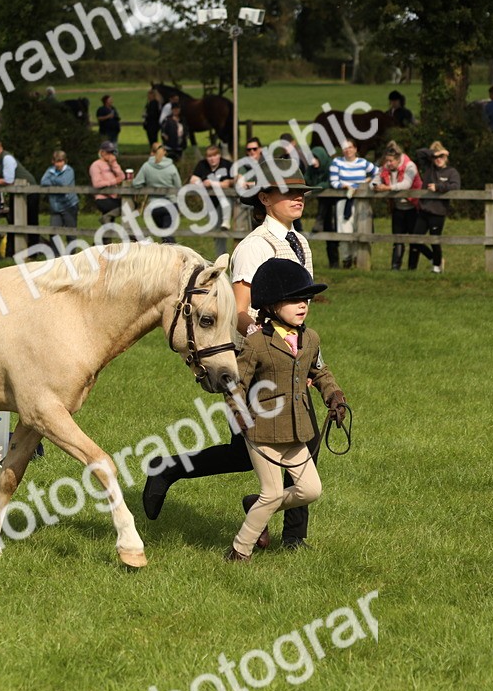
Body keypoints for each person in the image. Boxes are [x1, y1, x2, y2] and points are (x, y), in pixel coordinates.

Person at [142, 158, 321, 551]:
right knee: (284, 446)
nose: (298, 198)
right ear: (264, 198)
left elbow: (300, 307)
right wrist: (273, 350)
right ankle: (287, 534)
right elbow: (241, 312)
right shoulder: (254, 247)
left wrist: (305, 357)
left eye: (301, 193)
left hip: (289, 353)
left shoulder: (300, 242)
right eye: (287, 193)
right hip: (257, 361)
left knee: (276, 446)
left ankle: (281, 527)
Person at [225, 258, 346, 562]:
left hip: (297, 429)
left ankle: (256, 504)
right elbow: (236, 381)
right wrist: (238, 411)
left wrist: (334, 396)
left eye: (305, 298)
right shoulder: (256, 343)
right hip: (262, 429)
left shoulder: (310, 338)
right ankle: (239, 550)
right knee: (272, 492)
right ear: (271, 305)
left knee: (310, 490)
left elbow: (320, 372)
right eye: (293, 299)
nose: (302, 304)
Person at [409, 140, 459, 273]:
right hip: (424, 210)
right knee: (415, 239)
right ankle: (434, 258)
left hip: (438, 211)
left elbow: (455, 186)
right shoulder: (428, 168)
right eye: (436, 157)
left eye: (441, 157)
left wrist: (438, 187)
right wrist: (436, 152)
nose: (438, 160)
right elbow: (419, 153)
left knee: (435, 240)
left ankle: (436, 268)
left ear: (446, 158)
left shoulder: (451, 171)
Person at [329, 139, 377, 269]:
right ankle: (346, 259)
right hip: (344, 200)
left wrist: (368, 181)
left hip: (361, 201)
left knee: (359, 229)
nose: (347, 150)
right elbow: (333, 181)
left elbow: (378, 172)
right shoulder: (337, 162)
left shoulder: (362, 163)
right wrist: (344, 186)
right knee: (345, 231)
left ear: (355, 149)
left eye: (350, 147)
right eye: (345, 147)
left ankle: (358, 259)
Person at [372, 142, 420, 270]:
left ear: (398, 159)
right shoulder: (385, 167)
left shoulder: (410, 166)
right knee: (397, 238)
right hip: (397, 208)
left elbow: (406, 184)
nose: (389, 163)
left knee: (414, 240)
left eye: (391, 161)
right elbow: (375, 180)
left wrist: (387, 188)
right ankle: (395, 267)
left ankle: (412, 268)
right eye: (387, 160)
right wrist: (376, 186)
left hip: (413, 207)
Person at [133, 141, 181, 244]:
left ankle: (168, 253)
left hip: (154, 207)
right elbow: (178, 186)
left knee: (164, 234)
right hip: (171, 204)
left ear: (152, 152)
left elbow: (136, 183)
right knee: (168, 235)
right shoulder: (171, 167)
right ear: (164, 152)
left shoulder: (146, 166)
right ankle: (174, 254)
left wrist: (146, 187)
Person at [190, 145, 234, 256]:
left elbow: (229, 183)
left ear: (219, 155)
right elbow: (193, 179)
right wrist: (201, 184)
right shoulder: (202, 165)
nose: (212, 159)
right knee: (217, 233)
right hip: (210, 204)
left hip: (225, 203)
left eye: (214, 155)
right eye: (209, 156)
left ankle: (226, 221)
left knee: (222, 229)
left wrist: (212, 183)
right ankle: (221, 256)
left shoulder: (227, 164)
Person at [304, 143, 337, 268]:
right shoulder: (312, 168)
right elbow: (306, 179)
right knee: (329, 231)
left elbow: (328, 183)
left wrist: (314, 189)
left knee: (333, 233)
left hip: (334, 203)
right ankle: (333, 265)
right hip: (323, 202)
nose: (313, 161)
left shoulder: (330, 165)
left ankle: (335, 263)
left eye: (316, 158)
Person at [39, 150, 79, 247]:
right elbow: (43, 181)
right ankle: (56, 255)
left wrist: (52, 180)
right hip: (55, 207)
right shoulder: (50, 170)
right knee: (53, 232)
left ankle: (72, 255)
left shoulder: (69, 170)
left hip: (69, 206)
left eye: (61, 161)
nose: (58, 164)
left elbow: (64, 184)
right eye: (57, 161)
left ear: (65, 161)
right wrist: (57, 183)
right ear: (53, 161)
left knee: (71, 233)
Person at [89, 141, 125, 223]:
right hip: (102, 199)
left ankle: (107, 218)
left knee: (130, 205)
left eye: (112, 152)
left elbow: (122, 177)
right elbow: (97, 183)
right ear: (102, 152)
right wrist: (113, 181)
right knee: (125, 208)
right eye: (108, 152)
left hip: (113, 197)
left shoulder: (112, 164)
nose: (110, 155)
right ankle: (107, 217)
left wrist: (114, 163)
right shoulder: (96, 165)